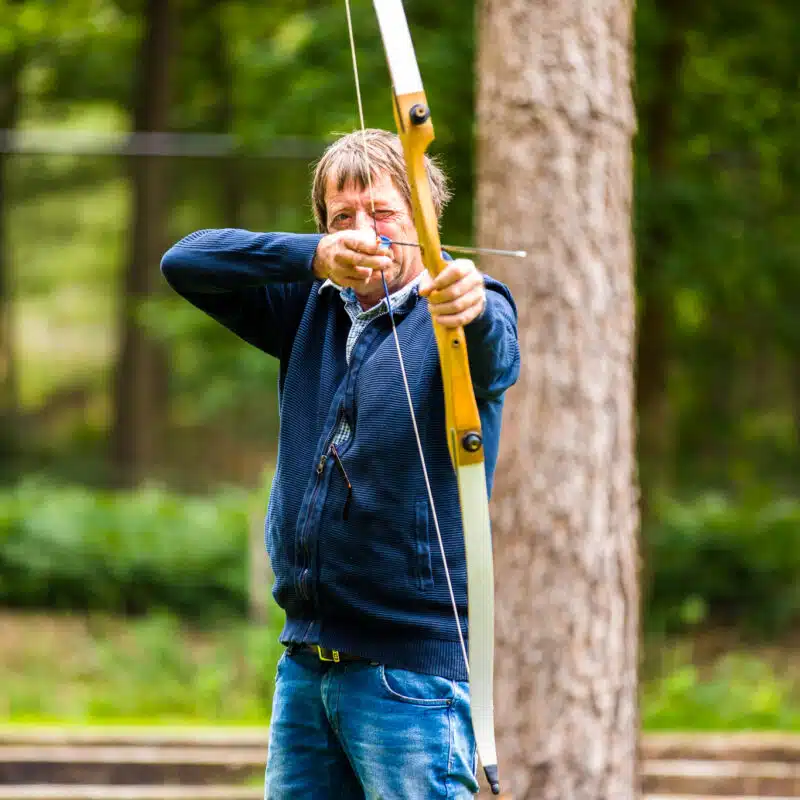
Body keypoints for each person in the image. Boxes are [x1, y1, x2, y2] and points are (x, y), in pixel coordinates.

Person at [161, 128, 520, 799]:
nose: (365, 231)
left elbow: (494, 352)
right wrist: (313, 257)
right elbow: (185, 261)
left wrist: (469, 307)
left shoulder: (464, 308)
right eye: (342, 217)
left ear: (425, 218)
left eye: (383, 212)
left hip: (409, 674)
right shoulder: (310, 305)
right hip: (306, 664)